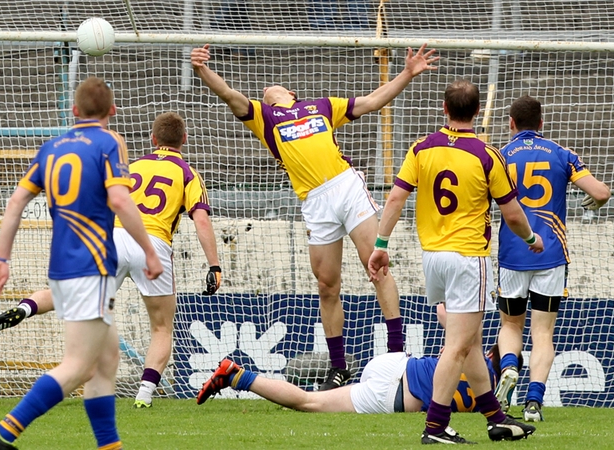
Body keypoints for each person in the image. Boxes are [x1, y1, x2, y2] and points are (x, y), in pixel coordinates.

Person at [190, 42, 438, 391]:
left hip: (345, 187)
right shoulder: (265, 117)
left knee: (377, 266)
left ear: (290, 93)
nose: (266, 89)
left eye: (272, 88)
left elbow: (371, 102)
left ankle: (396, 355)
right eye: (263, 91)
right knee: (326, 286)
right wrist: (202, 71)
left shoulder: (319, 107)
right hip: (315, 203)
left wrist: (407, 73)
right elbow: (230, 95)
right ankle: (339, 367)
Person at [0, 112, 222, 409]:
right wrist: (214, 266)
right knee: (161, 327)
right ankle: (143, 395)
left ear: (152, 139)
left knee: (66, 293)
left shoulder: (131, 166)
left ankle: (22, 310)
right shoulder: (188, 173)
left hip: (114, 237)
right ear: (184, 139)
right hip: (152, 245)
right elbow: (202, 220)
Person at [0, 77, 163, 450]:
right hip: (90, 267)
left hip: (62, 270)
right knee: (78, 365)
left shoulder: (51, 148)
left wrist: (1, 258)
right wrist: (149, 250)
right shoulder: (109, 142)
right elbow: (121, 200)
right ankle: (4, 431)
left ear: (74, 111)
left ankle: (109, 446)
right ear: (112, 111)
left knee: (105, 360)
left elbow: (15, 203)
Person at [367, 79, 543, 445]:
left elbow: (396, 200)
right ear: (477, 112)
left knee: (471, 342)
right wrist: (531, 238)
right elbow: (512, 214)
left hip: (432, 258)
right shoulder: (487, 155)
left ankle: (495, 418)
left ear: (444, 109)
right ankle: (435, 427)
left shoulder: (421, 148)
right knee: (457, 346)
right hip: (467, 260)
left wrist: (380, 244)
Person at [493, 95, 611, 422]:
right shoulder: (562, 154)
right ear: (541, 124)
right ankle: (533, 403)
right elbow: (601, 192)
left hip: (512, 253)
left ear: (511, 123)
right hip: (551, 255)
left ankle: (508, 369)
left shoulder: (499, 157)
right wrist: (595, 202)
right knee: (543, 333)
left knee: (510, 325)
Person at [196, 345, 523, 415]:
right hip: (395, 394)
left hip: (395, 363)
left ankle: (237, 374)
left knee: (313, 400)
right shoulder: (489, 398)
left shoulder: (470, 348)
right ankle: (237, 376)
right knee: (310, 403)